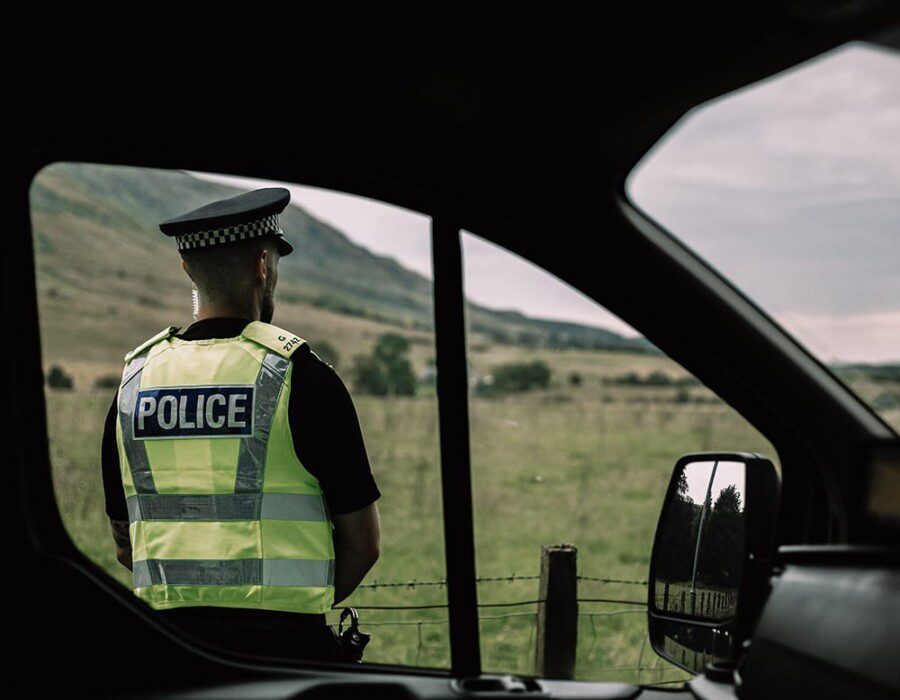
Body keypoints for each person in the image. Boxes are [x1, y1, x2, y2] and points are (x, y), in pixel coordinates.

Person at [101, 187, 380, 661]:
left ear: (187, 268)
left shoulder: (136, 381)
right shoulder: (302, 375)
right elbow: (364, 544)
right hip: (286, 653)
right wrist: (290, 602)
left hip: (166, 653)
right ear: (263, 267)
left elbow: (126, 545)